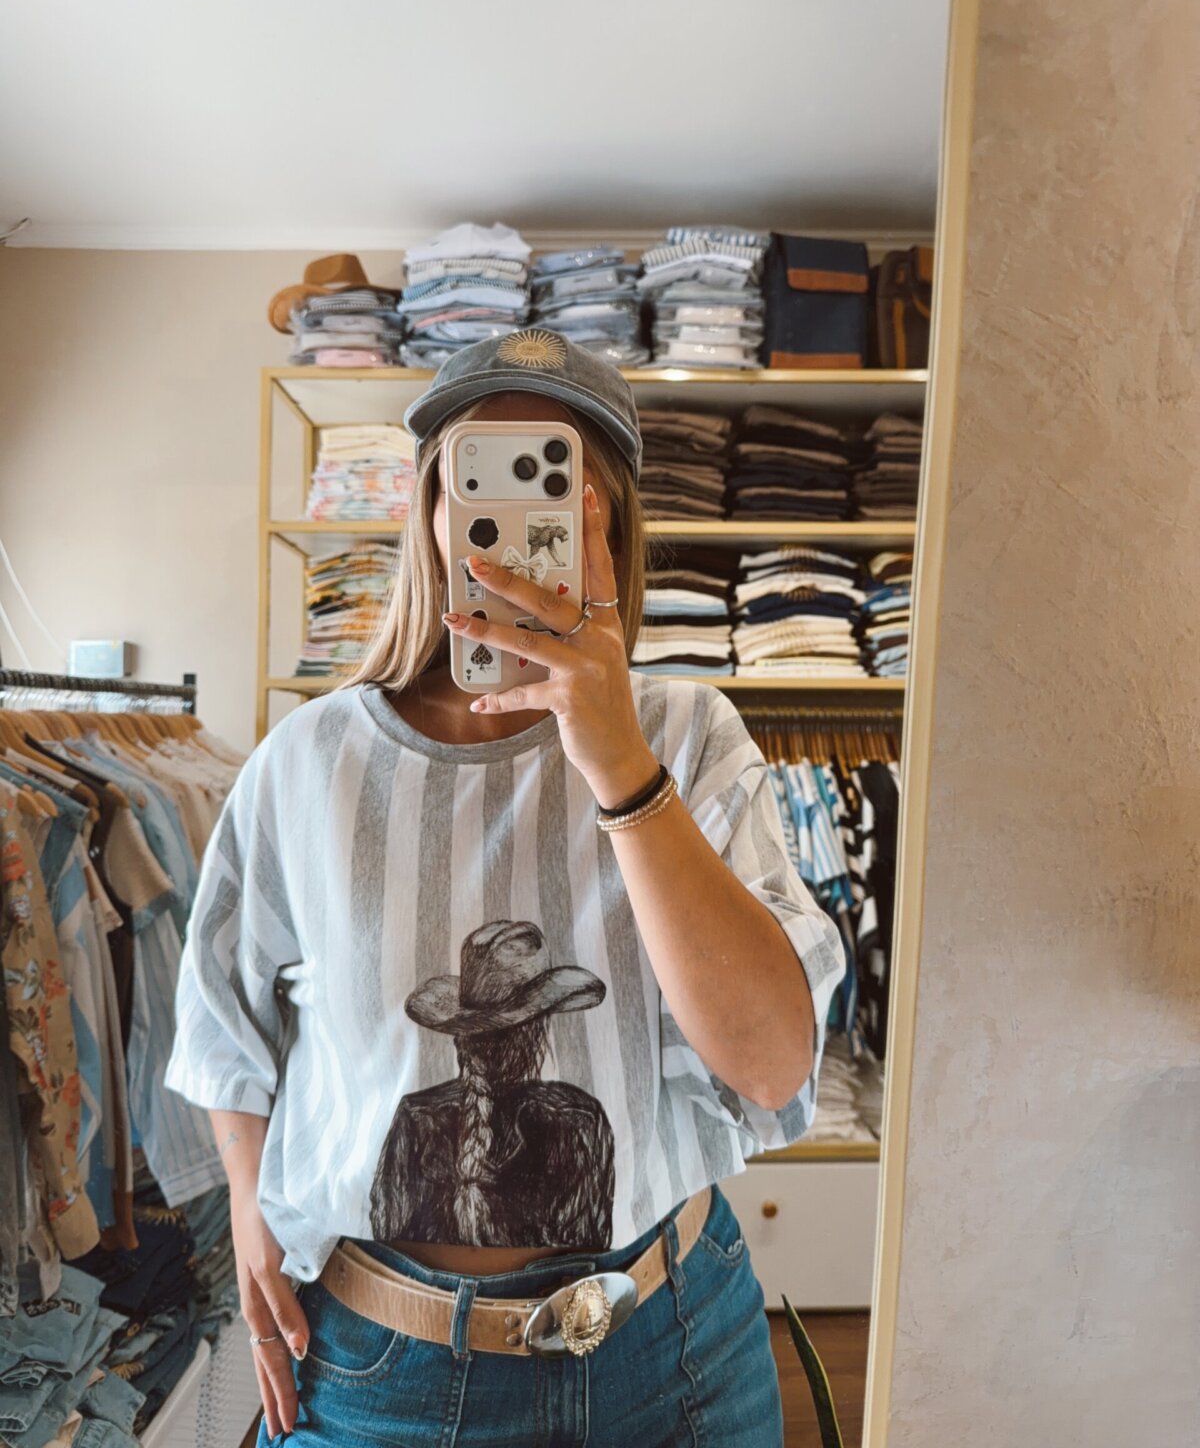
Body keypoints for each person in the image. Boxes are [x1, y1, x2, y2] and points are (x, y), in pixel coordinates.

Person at [164, 330, 847, 1446]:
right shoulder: (310, 761)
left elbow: (771, 1063)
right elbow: (223, 1016)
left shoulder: (688, 736)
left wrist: (620, 763)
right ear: (432, 512)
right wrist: (248, 1200)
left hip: (673, 1347)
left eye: (556, 479)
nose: (515, 516)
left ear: (608, 522)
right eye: (477, 478)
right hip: (384, 1371)